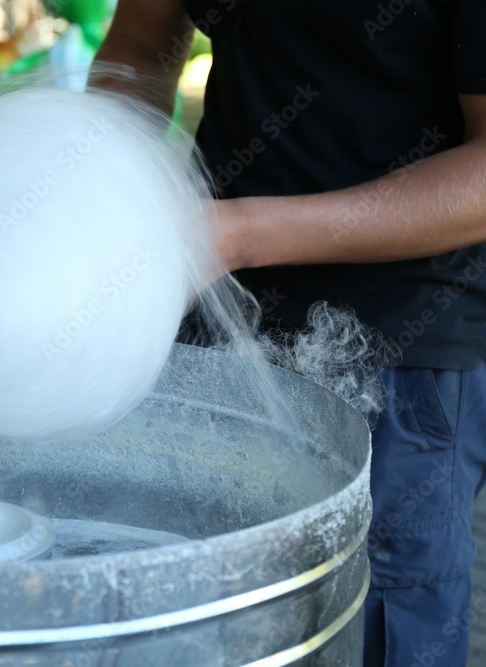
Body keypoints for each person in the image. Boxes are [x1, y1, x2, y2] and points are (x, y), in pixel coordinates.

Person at [97, 1, 486, 665]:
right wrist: (91, 176)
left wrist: (240, 234)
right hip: (214, 325)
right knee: (213, 620)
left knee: (366, 628)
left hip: (398, 347)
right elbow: (137, 46)